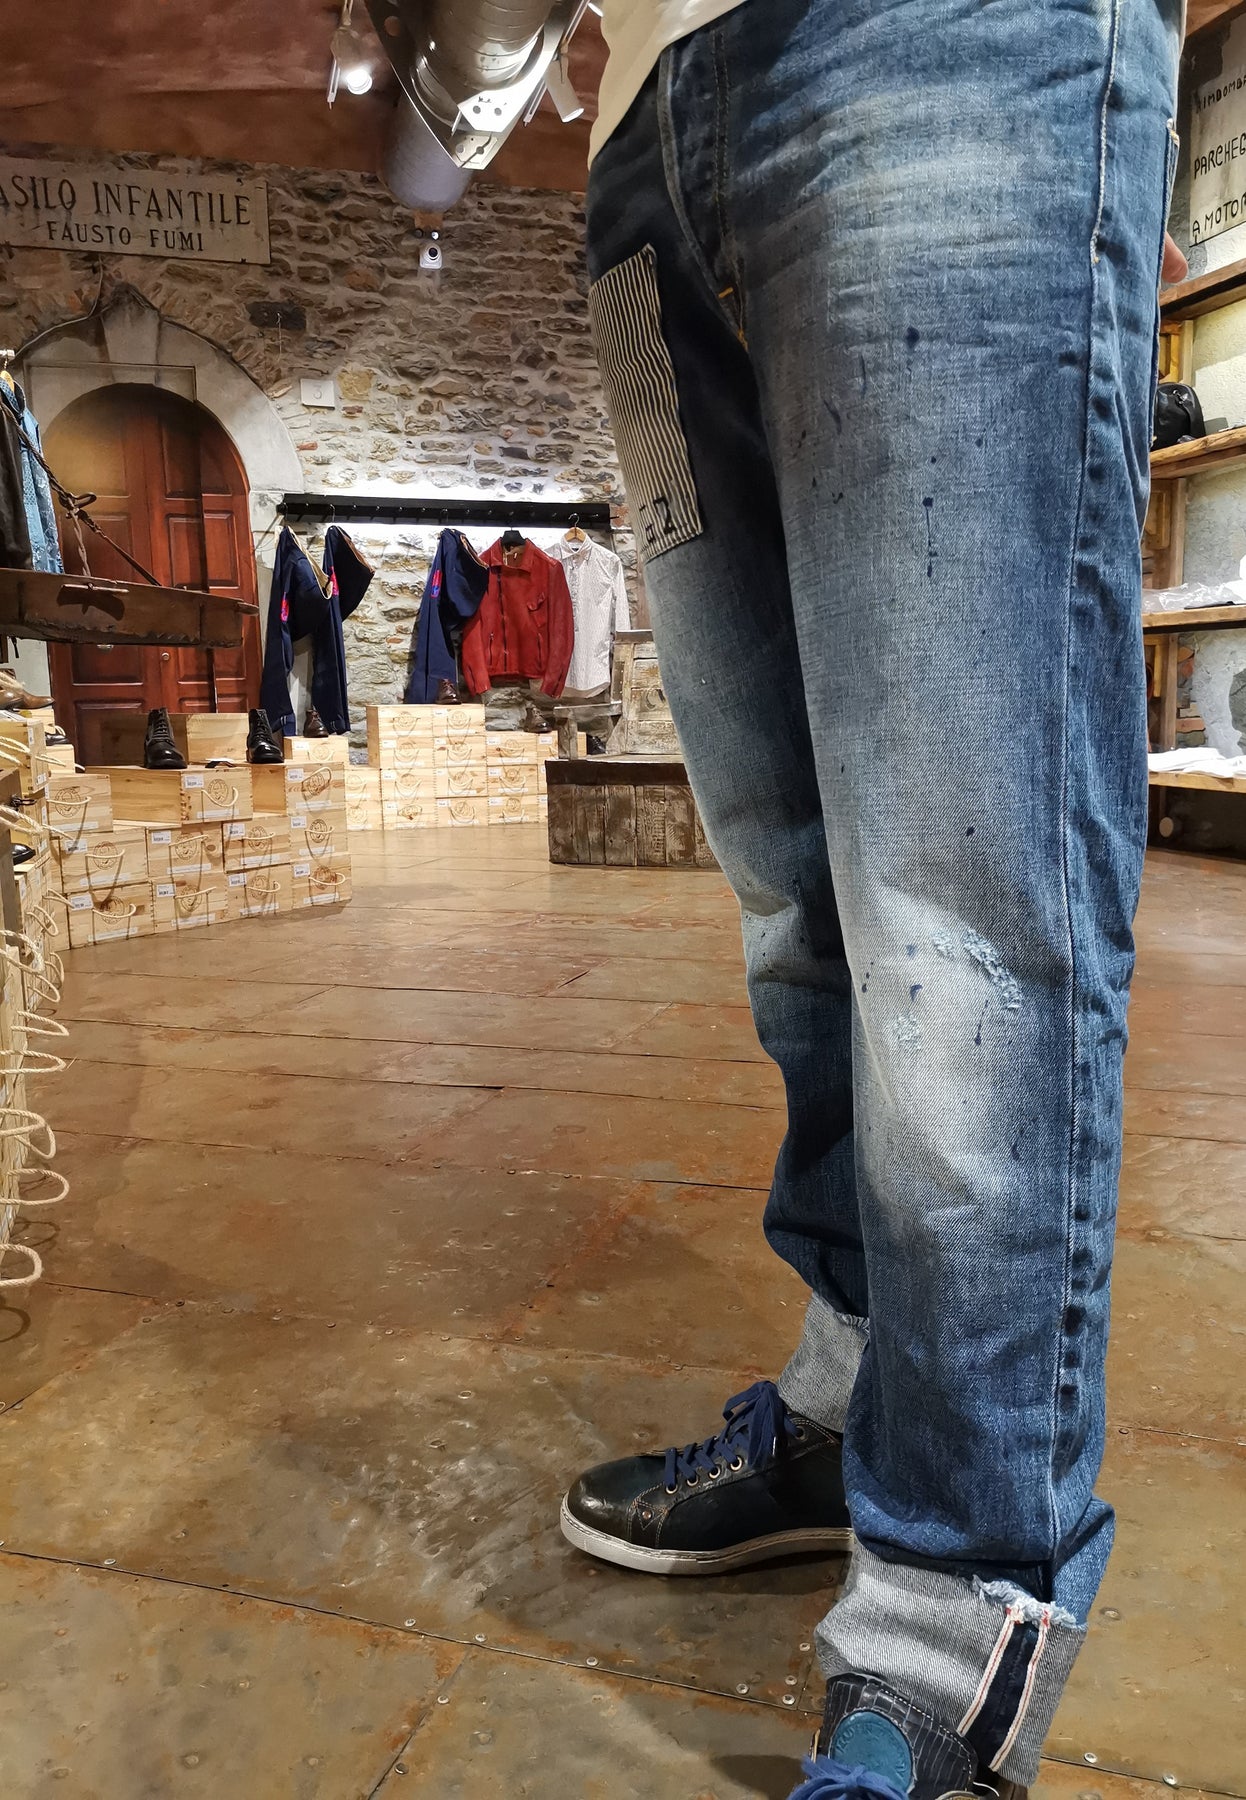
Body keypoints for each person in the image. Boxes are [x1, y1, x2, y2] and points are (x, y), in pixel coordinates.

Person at [560, 2, 1184, 1794]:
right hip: (641, 144)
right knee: (794, 890)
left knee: (958, 926)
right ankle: (847, 1411)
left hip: (942, 46)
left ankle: (942, 1641)